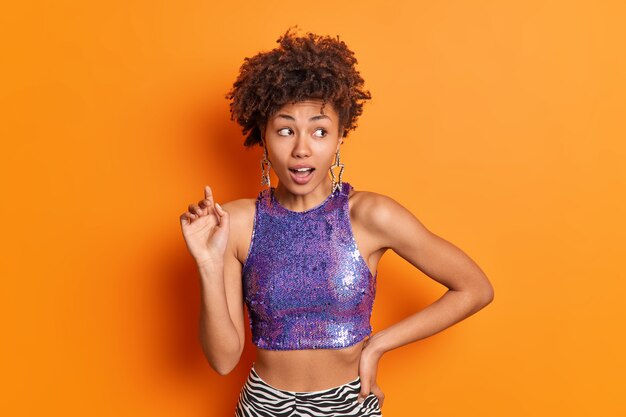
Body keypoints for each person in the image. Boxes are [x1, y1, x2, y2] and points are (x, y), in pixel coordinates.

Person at [180, 27, 494, 417]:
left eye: (319, 131)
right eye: (284, 130)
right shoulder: (238, 222)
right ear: (262, 136)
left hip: (349, 405)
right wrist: (209, 265)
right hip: (264, 406)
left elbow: (475, 288)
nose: (301, 148)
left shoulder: (369, 215)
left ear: (340, 136)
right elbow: (224, 360)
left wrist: (379, 345)